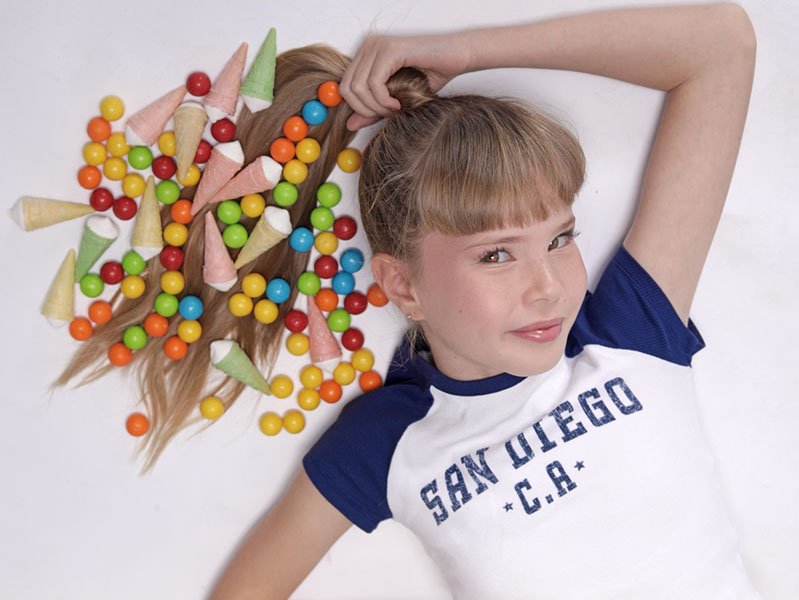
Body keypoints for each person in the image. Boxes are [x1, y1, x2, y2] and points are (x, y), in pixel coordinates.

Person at [208, 3, 757, 598]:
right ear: (403, 286)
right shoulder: (388, 441)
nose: (548, 287)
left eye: (560, 239)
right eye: (496, 255)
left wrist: (467, 54)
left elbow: (721, 45)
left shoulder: (631, 330)